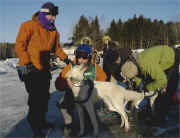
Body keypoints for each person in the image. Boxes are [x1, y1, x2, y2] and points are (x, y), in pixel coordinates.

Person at [15, 2, 71, 137]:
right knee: (36, 99)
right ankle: (36, 128)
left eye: (55, 16)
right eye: (51, 15)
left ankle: (41, 121)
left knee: (44, 97)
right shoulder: (28, 25)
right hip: (30, 68)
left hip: (44, 70)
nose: (53, 19)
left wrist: (66, 58)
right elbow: (20, 45)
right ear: (43, 13)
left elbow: (56, 48)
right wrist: (26, 62)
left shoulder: (53, 31)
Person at [121, 45, 180, 127]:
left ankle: (159, 119)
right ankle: (151, 112)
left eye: (135, 74)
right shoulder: (135, 63)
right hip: (159, 60)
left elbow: (162, 79)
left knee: (167, 91)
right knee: (151, 84)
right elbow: (138, 75)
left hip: (171, 58)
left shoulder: (147, 64)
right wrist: (138, 87)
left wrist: (148, 87)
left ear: (136, 69)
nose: (135, 76)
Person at [55, 44, 107, 136]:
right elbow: (59, 83)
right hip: (73, 95)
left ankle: (89, 122)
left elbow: (103, 80)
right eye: (79, 56)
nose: (81, 59)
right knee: (62, 104)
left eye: (84, 57)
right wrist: (65, 83)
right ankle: (69, 123)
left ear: (89, 57)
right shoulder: (71, 67)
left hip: (89, 96)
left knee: (88, 116)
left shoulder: (94, 68)